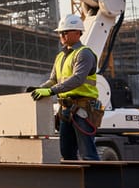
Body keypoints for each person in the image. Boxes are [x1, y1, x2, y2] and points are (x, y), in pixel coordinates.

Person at [29, 13, 100, 161]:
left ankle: (96, 183)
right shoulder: (60, 56)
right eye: (60, 32)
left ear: (77, 33)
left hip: (83, 109)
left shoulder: (84, 54)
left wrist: (51, 91)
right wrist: (39, 89)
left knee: (88, 153)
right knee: (66, 153)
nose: (61, 35)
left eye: (65, 32)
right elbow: (53, 80)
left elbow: (77, 79)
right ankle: (74, 183)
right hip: (65, 110)